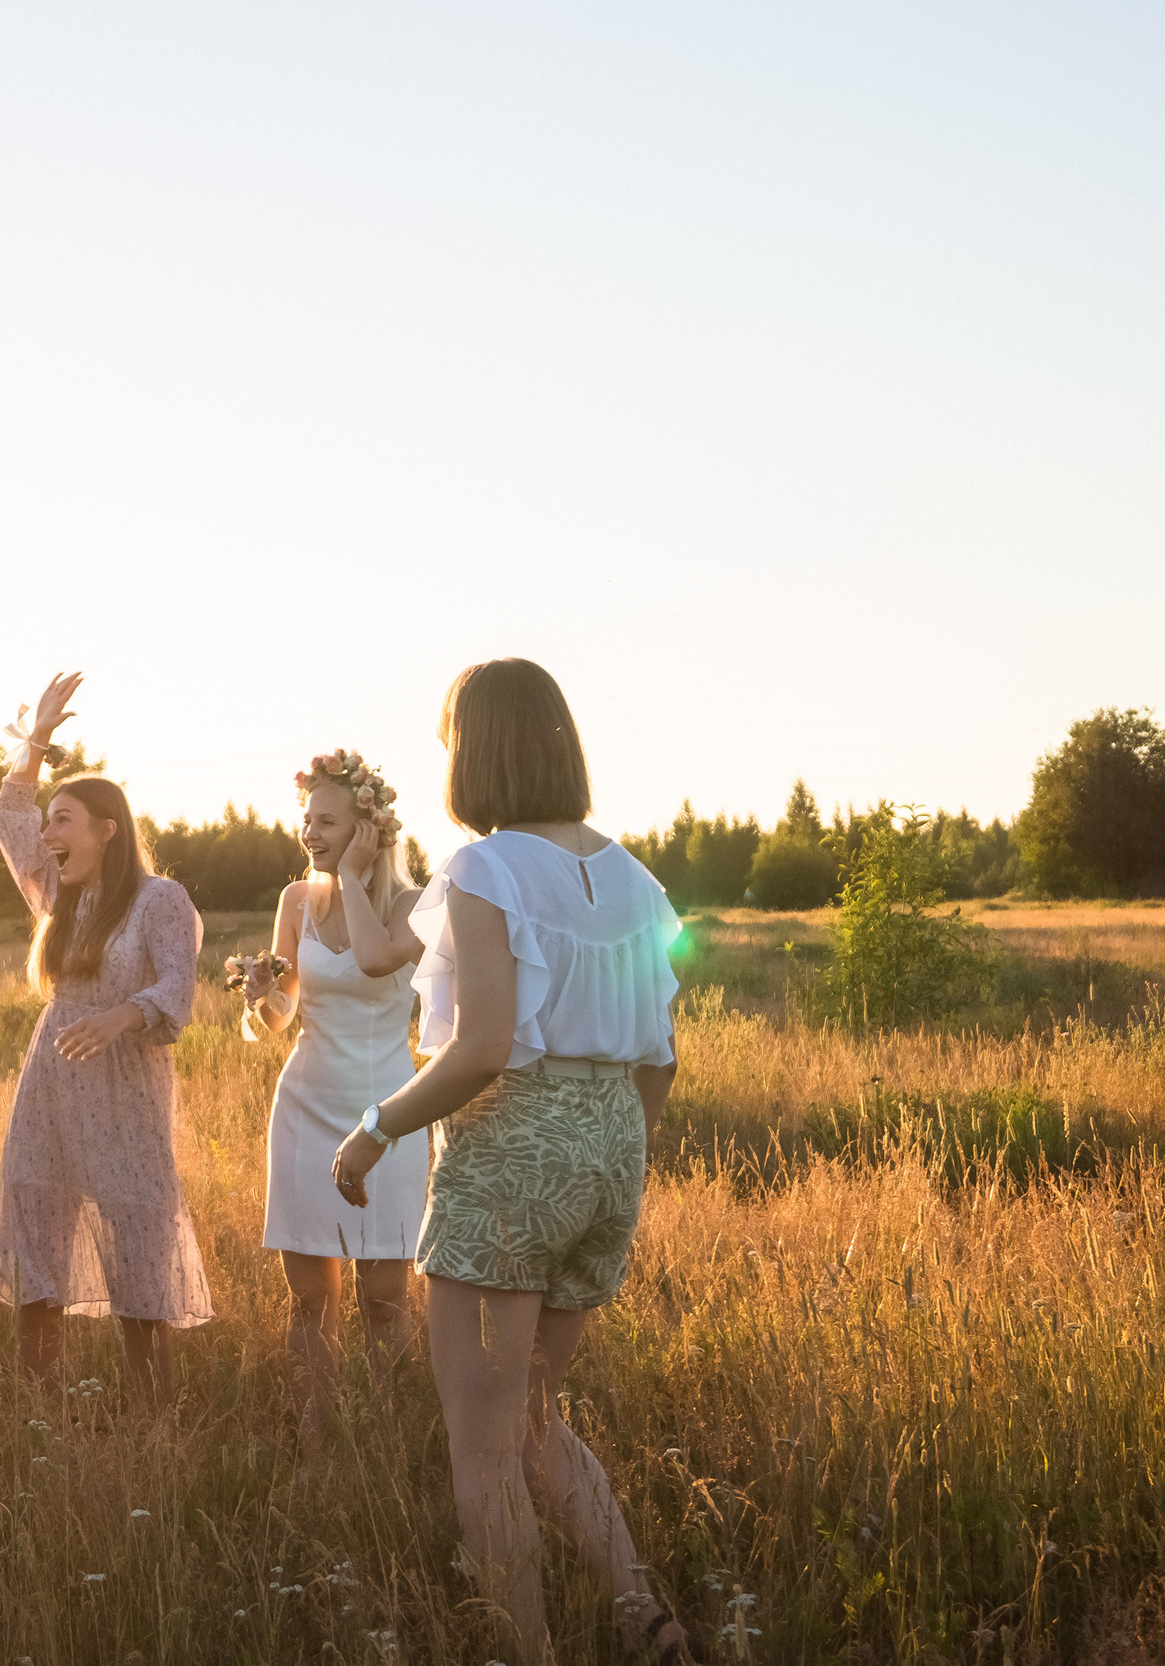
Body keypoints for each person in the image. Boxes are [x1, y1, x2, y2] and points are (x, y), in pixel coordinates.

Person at [332, 659, 691, 1663]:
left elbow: (483, 1046)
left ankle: (526, 1650)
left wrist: (377, 1125)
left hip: (511, 1150)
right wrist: (611, 1155)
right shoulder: (636, 877)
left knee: (482, 1449)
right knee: (534, 1416)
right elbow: (662, 1053)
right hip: (609, 1149)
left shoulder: (484, 868)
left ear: (477, 748)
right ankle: (645, 1621)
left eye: (451, 737)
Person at [0, 672, 207, 1404]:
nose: (47, 835)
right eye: (49, 823)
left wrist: (125, 1014)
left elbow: (179, 984)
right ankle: (39, 1422)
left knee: (140, 1258)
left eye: (64, 820)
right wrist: (37, 741)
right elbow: (8, 815)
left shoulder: (160, 900)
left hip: (125, 1094)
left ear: (106, 828)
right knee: (37, 1248)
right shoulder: (56, 896)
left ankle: (155, 1429)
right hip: (50, 1086)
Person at [240, 747, 425, 1442]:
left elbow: (378, 960)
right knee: (309, 1297)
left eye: (328, 821)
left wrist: (351, 876)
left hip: (390, 1115)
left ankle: (385, 1437)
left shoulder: (415, 906)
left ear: (369, 828)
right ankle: (316, 1437)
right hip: (306, 1109)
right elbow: (283, 1015)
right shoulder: (294, 901)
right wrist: (261, 1000)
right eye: (306, 819)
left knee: (385, 1297)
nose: (310, 833)